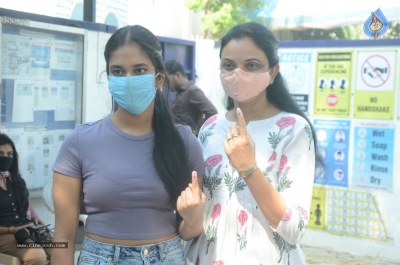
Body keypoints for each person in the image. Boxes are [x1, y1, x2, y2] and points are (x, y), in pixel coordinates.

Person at [51, 25, 206, 265]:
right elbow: (63, 237)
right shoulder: (79, 142)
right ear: (110, 78)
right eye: (118, 71)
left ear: (158, 79)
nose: (128, 79)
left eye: (139, 70)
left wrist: (194, 218)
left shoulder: (184, 142)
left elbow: (189, 230)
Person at [186, 22, 323, 265]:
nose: (238, 74)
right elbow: (199, 214)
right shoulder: (210, 128)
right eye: (229, 65)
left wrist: (249, 168)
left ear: (272, 72)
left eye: (252, 65)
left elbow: (294, 228)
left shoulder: (293, 129)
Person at [0, 133, 49, 265]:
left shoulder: (16, 180)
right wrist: (11, 230)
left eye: (9, 154)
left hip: (25, 230)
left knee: (60, 247)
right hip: (4, 235)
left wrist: (35, 218)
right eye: (1, 153)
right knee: (36, 256)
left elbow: (28, 207)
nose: (5, 157)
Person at [165, 60, 218, 136]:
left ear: (177, 75)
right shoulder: (181, 92)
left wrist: (199, 132)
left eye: (167, 80)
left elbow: (212, 112)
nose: (166, 84)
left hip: (188, 140)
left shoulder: (192, 91)